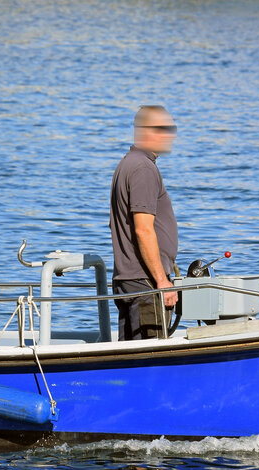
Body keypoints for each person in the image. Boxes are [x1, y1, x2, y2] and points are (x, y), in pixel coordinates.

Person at [108, 105, 179, 340]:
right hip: (145, 284)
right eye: (164, 129)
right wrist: (161, 281)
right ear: (145, 131)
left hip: (132, 280)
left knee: (129, 354)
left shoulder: (129, 163)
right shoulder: (143, 169)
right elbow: (143, 229)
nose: (171, 135)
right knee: (150, 356)